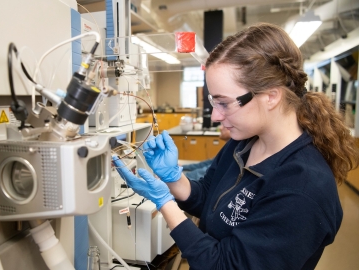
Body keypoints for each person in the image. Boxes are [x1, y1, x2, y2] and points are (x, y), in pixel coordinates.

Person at [112, 23, 359, 270]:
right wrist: (174, 180)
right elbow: (209, 199)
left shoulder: (303, 188)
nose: (216, 116)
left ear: (271, 96)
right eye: (213, 102)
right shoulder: (243, 144)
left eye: (224, 103)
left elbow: (226, 266)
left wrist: (165, 202)